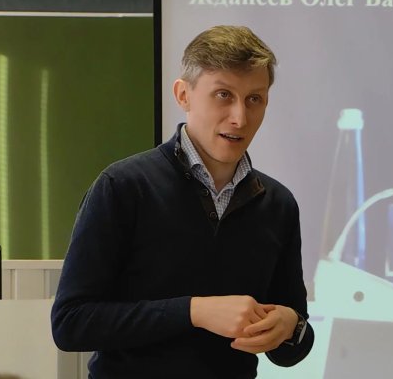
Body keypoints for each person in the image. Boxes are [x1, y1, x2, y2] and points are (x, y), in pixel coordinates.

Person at [51, 25, 314, 378]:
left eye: (255, 99)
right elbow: (71, 324)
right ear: (183, 95)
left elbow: (290, 351)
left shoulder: (278, 204)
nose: (240, 117)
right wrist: (194, 312)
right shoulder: (123, 187)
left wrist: (291, 325)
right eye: (223, 95)